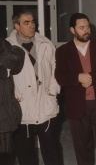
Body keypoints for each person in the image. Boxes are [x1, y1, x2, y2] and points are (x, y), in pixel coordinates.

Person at [55, 13, 96, 165]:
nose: (86, 30)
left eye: (88, 27)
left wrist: (90, 77)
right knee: (82, 147)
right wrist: (78, 77)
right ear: (72, 30)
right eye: (81, 27)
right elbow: (60, 77)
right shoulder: (63, 51)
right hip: (77, 106)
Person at [6, 10, 63, 165]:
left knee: (52, 150)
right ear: (16, 25)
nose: (32, 26)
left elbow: (56, 68)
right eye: (26, 22)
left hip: (45, 102)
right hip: (21, 107)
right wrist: (12, 95)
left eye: (33, 22)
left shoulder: (45, 43)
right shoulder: (7, 47)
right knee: (25, 152)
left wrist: (53, 90)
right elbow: (4, 77)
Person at [0, 38, 24, 165]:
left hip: (5, 115)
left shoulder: (4, 44)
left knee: (6, 158)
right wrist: (4, 70)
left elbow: (19, 54)